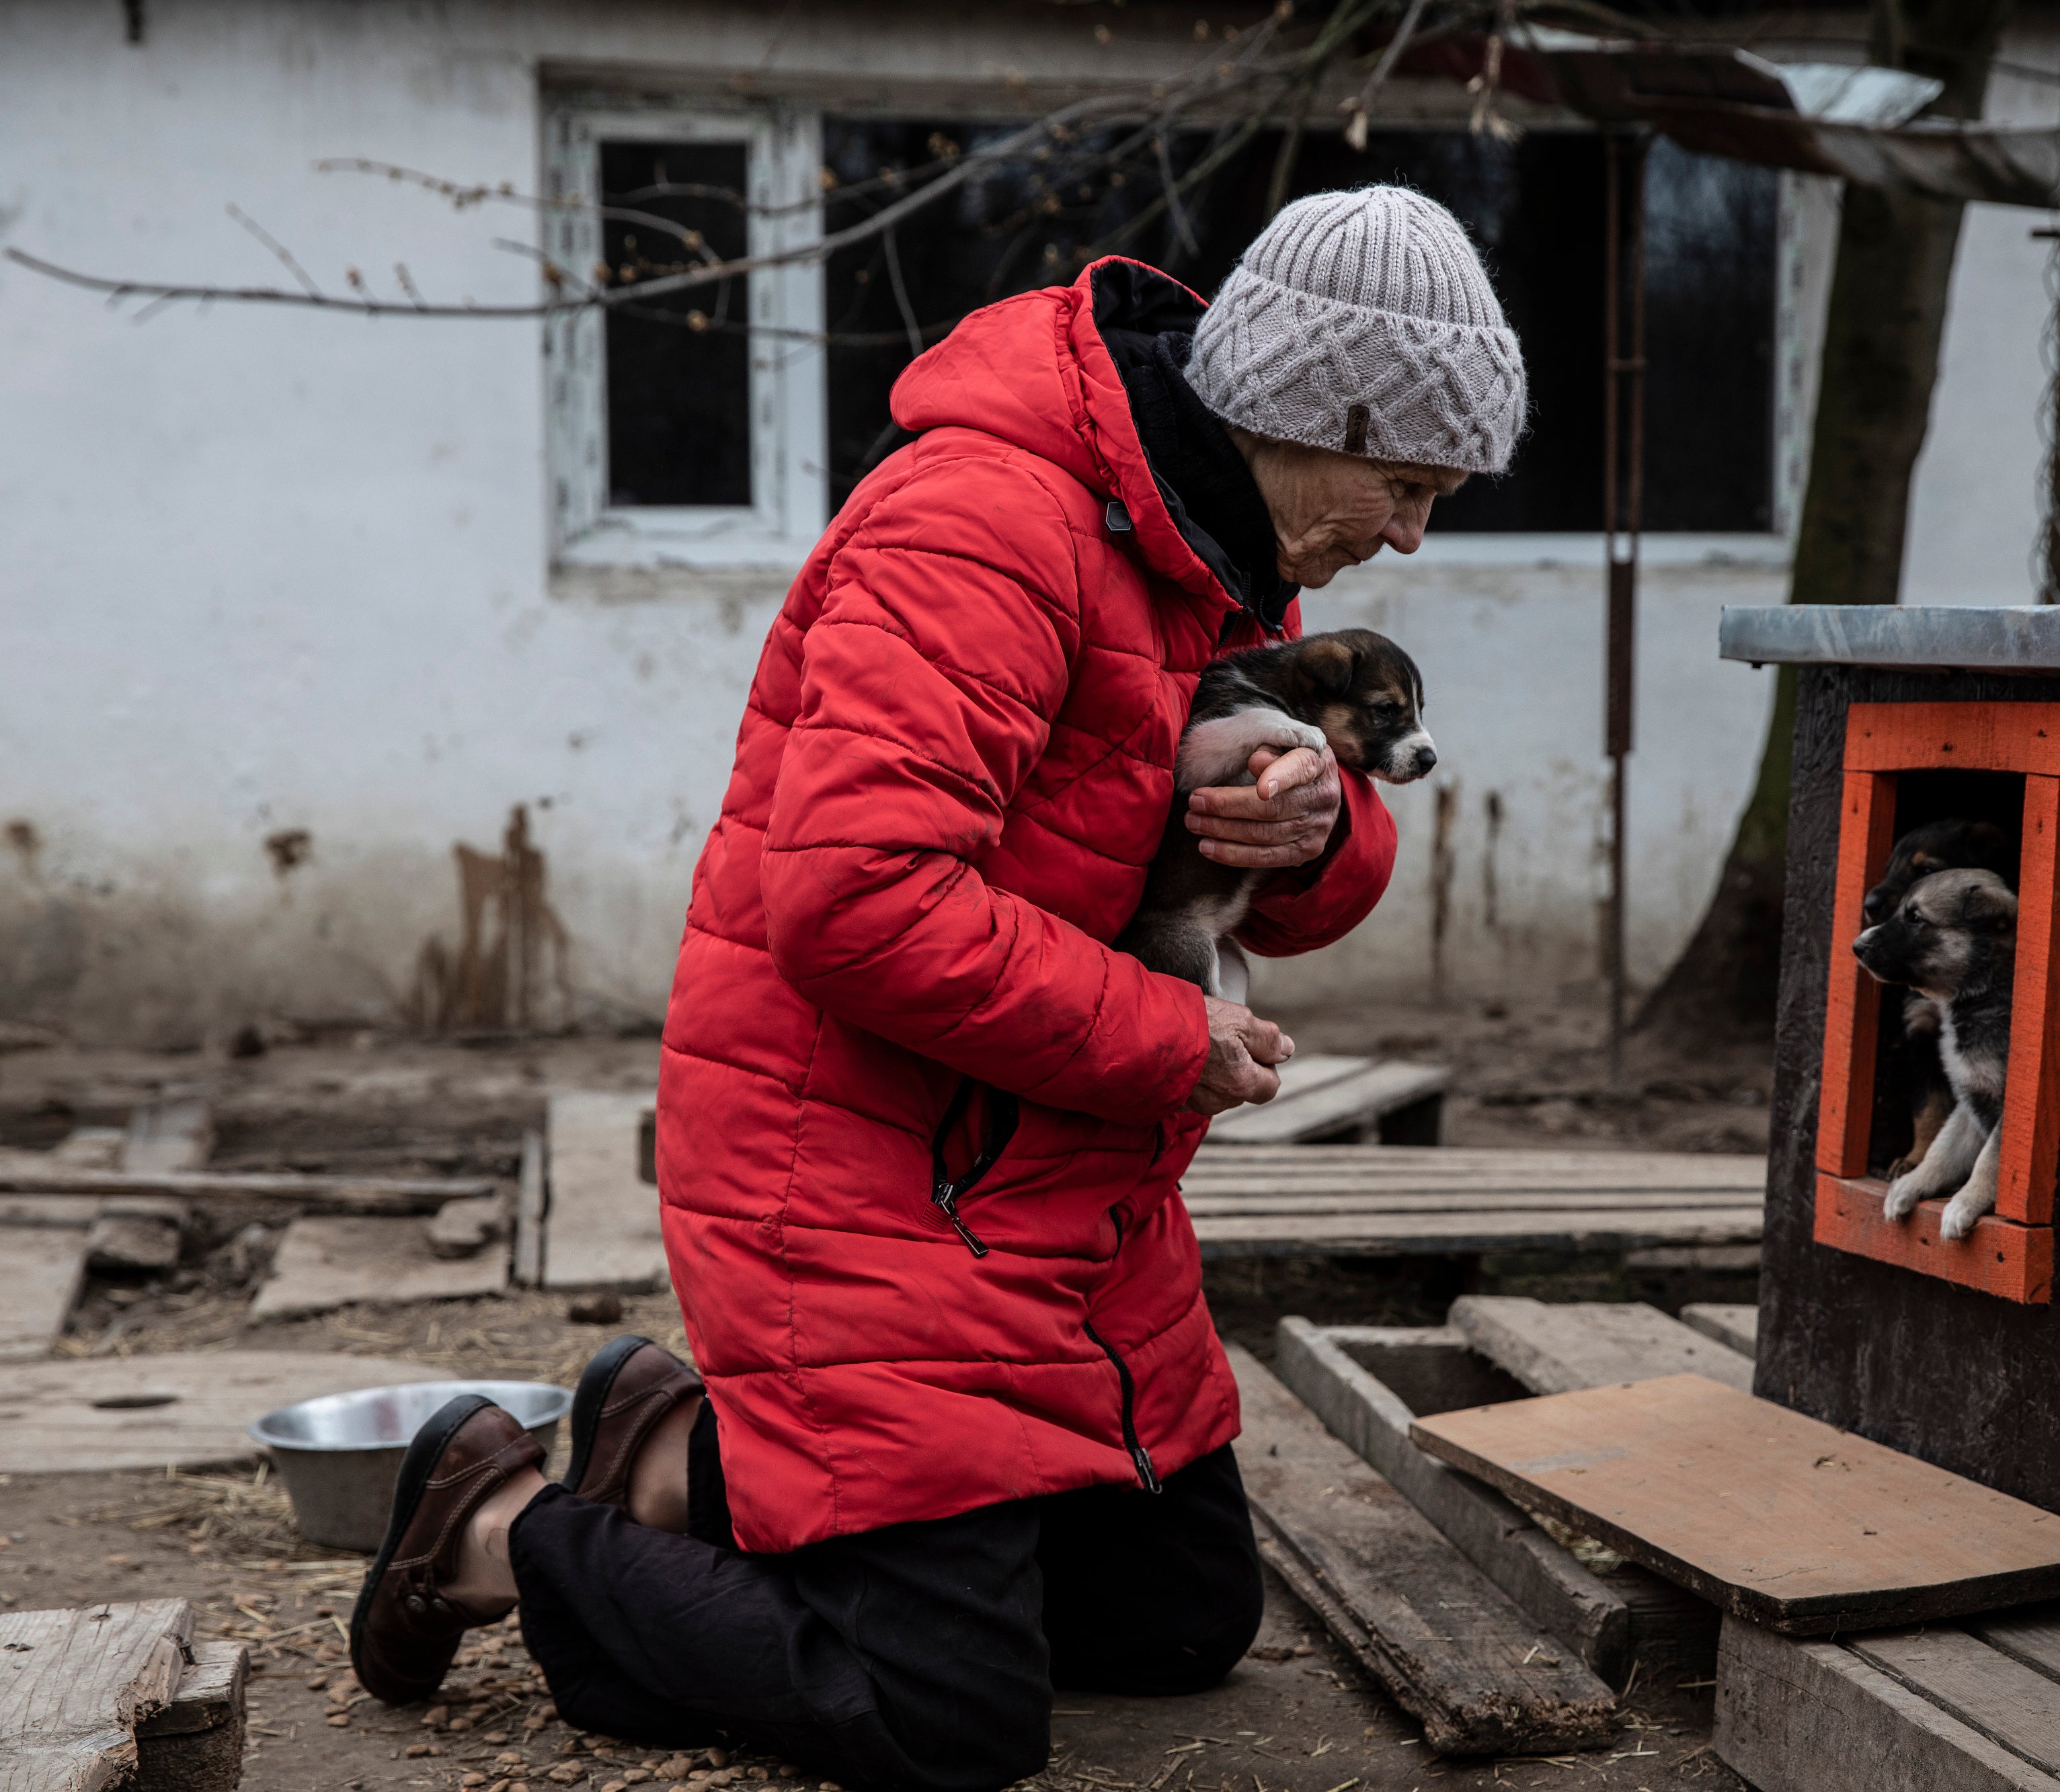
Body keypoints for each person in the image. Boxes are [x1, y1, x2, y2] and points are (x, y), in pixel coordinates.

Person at [349, 186, 1528, 1792]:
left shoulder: (1216, 561)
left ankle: (679, 1460)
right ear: (1300, 414)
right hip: (862, 1182)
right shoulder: (981, 526)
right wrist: (1164, 1037)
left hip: (1046, 1190)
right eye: (1404, 484)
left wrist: (1312, 832)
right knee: (941, 1717)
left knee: (1179, 1625)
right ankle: (499, 1521)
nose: (1408, 533)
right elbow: (856, 899)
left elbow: (1228, 879)